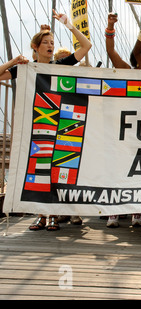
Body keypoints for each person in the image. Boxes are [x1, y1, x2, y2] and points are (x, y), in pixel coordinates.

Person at [0, 10, 92, 231]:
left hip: (61, 122)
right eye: (46, 43)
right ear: (36, 47)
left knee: (57, 167)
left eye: (52, 42)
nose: (51, 46)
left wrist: (68, 25)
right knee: (36, 169)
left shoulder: (61, 66)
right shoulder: (26, 69)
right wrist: (14, 60)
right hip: (36, 123)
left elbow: (86, 46)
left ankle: (52, 214)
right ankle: (41, 214)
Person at [105, 14, 141, 228]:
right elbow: (110, 51)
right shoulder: (125, 71)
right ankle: (114, 212)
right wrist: (111, 26)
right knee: (119, 169)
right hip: (124, 129)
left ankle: (137, 211)